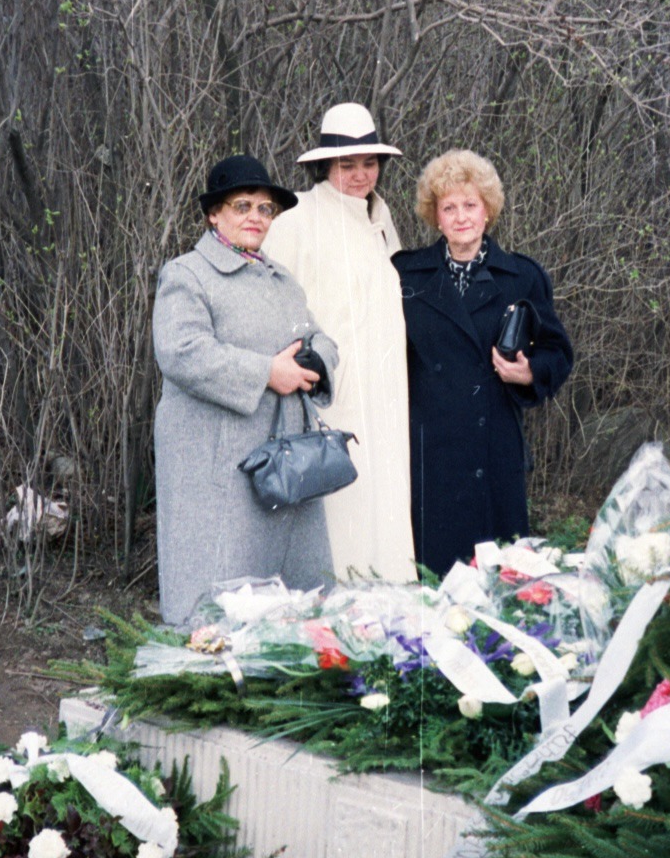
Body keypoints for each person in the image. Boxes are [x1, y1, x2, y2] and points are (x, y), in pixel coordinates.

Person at [153, 155, 339, 625]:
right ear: (214, 214)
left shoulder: (280, 279)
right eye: (243, 206)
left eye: (265, 209)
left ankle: (283, 677)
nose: (256, 217)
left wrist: (317, 360)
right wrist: (266, 373)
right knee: (217, 590)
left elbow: (318, 336)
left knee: (290, 598)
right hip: (216, 465)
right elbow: (181, 351)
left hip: (283, 458)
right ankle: (208, 679)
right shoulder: (187, 274)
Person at [392, 150, 574, 577]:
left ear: (487, 210)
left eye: (470, 205)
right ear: (434, 216)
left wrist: (528, 372)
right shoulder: (405, 275)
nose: (460, 217)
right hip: (427, 451)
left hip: (492, 448)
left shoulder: (521, 276)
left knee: (498, 580)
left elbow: (558, 352)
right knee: (433, 579)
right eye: (449, 207)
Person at [262, 103, 416, 581]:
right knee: (338, 511)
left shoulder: (381, 220)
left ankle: (388, 607)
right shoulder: (297, 215)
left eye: (368, 163)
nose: (359, 175)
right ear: (325, 166)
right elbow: (271, 296)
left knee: (384, 502)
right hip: (331, 395)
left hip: (386, 395)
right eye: (347, 165)